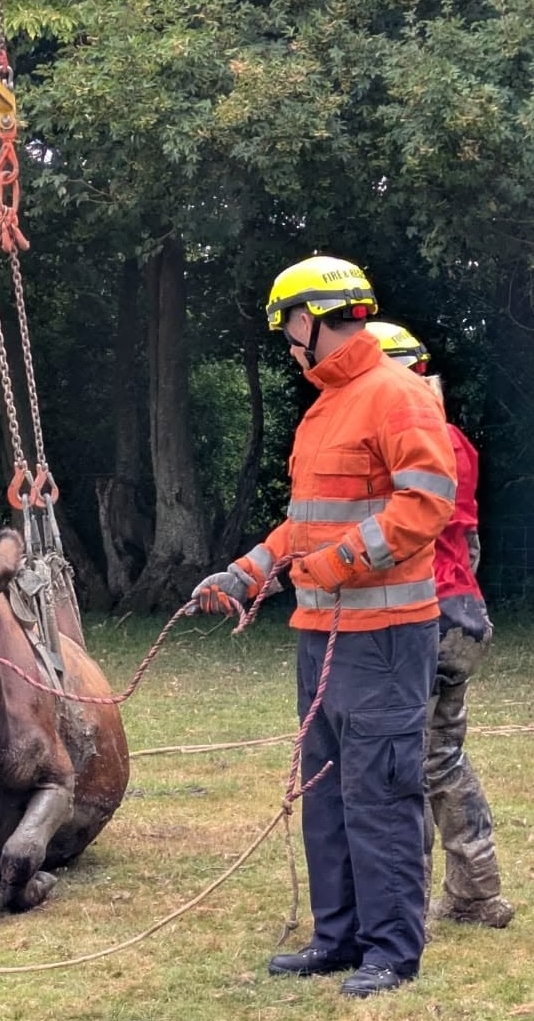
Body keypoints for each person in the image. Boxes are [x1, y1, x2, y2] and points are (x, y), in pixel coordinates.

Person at [192, 255, 457, 997]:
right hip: (321, 636)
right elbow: (304, 522)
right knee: (325, 790)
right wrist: (250, 568)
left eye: (286, 326)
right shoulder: (323, 407)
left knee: (378, 793)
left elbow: (424, 503)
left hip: (384, 637)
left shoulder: (396, 395)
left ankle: (390, 953)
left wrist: (338, 563)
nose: (285, 341)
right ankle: (336, 938)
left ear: (312, 316)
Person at [368, 320, 514, 929]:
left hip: (421, 617)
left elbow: (393, 535)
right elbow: (469, 541)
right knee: (443, 758)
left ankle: (406, 903)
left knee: (402, 760)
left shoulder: (407, 438)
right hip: (462, 616)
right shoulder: (456, 439)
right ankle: (476, 892)